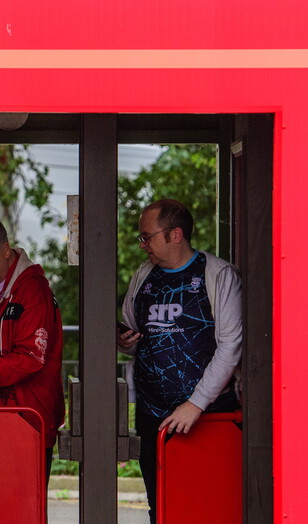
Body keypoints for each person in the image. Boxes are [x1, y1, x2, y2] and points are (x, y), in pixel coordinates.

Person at [117, 199, 242, 524]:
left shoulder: (218, 275)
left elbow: (230, 346)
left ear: (175, 234)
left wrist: (196, 404)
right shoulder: (144, 275)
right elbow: (135, 333)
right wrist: (124, 342)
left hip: (209, 418)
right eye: (141, 239)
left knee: (207, 505)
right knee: (160, 507)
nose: (143, 245)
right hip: (152, 416)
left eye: (148, 237)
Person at [0, 218, 65, 482]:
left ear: (6, 250)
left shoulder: (32, 291)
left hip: (18, 420)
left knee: (20, 508)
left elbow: (27, 360)